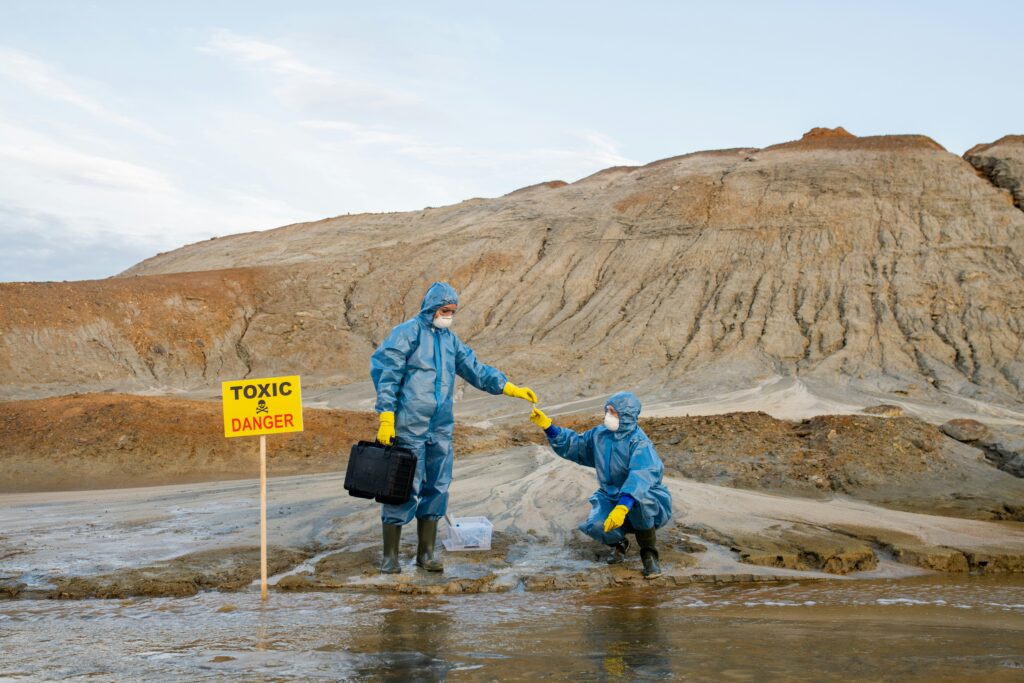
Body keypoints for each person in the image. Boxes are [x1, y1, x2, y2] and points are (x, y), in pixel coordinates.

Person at [370, 282, 538, 574]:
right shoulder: (407, 333)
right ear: (432, 307)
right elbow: (387, 374)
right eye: (445, 310)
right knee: (401, 486)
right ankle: (390, 558)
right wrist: (386, 415)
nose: (448, 315)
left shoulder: (450, 341)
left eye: (452, 311)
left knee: (437, 486)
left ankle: (425, 555)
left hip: (440, 425)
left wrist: (509, 387)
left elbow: (475, 369)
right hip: (409, 424)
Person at [529, 392, 672, 578]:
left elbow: (641, 475)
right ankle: (619, 544)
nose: (608, 415)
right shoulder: (599, 435)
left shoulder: (640, 442)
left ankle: (649, 555)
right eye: (607, 410)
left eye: (613, 412)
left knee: (641, 506)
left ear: (626, 415)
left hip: (641, 495)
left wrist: (623, 506)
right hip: (610, 495)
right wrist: (549, 428)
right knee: (596, 525)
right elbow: (575, 445)